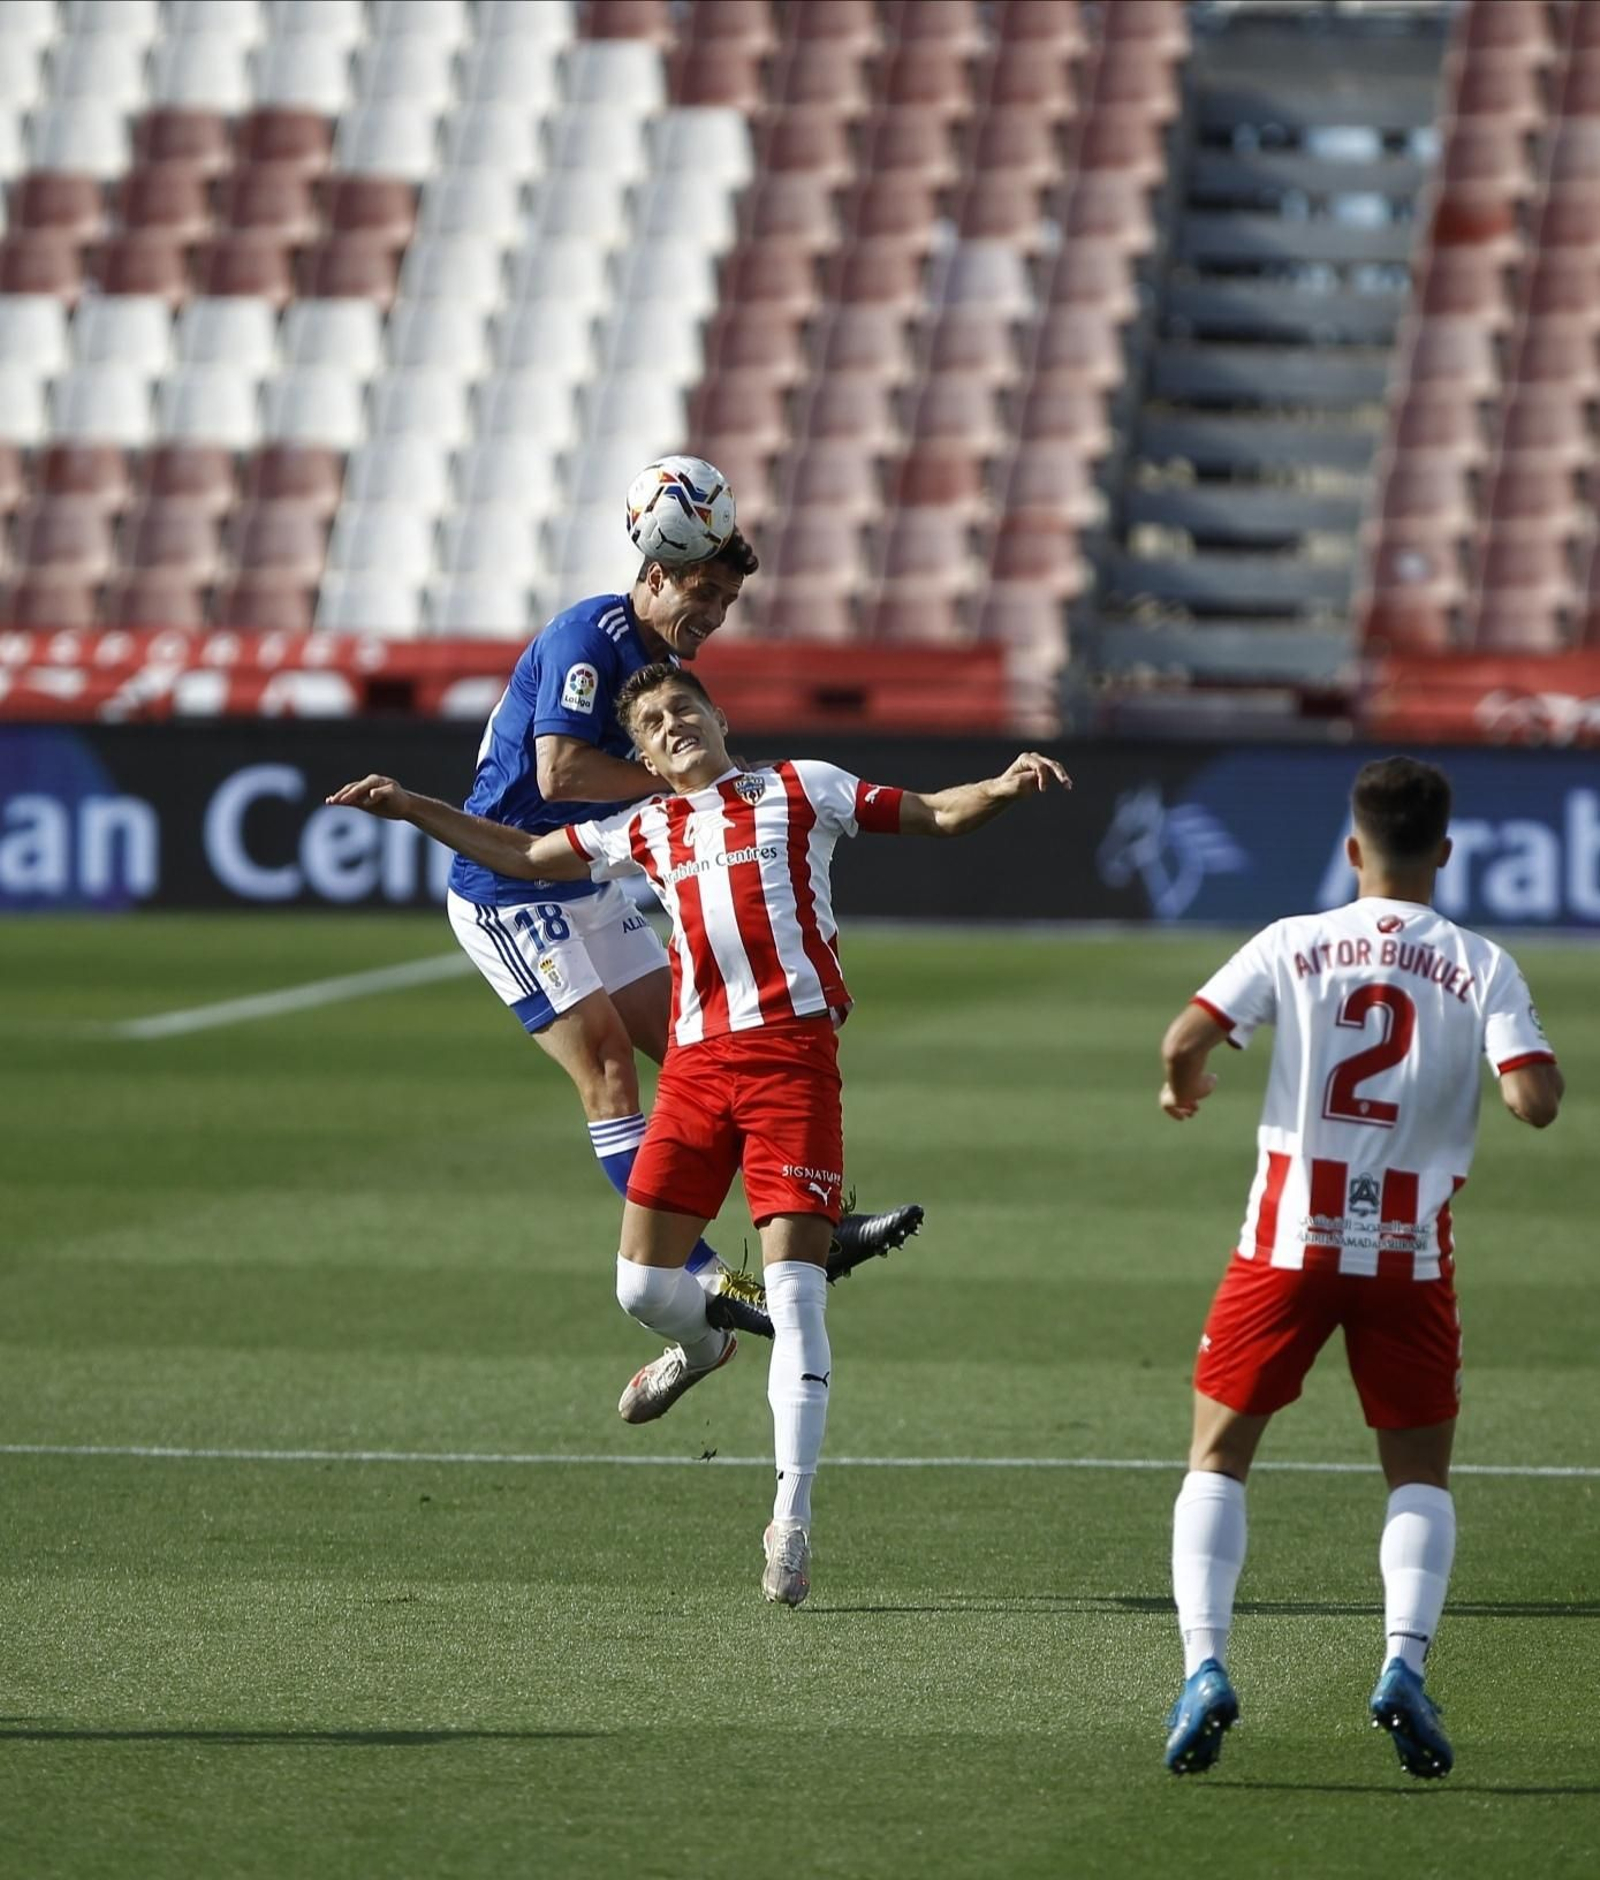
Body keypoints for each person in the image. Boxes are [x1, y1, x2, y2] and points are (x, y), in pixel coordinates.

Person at [329, 664, 1070, 1605]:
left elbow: (934, 812)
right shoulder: (641, 827)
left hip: (791, 1065)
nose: (672, 723)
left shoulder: (804, 786)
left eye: (684, 708)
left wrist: (1002, 788)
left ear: (720, 718)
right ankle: (703, 1345)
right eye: (651, 722)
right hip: (691, 1072)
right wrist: (413, 806)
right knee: (641, 1284)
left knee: (798, 1301)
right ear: (640, 753)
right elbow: (520, 859)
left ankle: (790, 1523)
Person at [1155, 756, 1563, 1778]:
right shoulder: (1481, 960)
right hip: (1408, 1254)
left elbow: (1184, 1036)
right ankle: (1401, 1665)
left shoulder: (1294, 939)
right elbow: (1534, 1101)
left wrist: (1185, 1082)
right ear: (1447, 852)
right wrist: (1519, 1067)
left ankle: (1204, 1664)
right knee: (1418, 1473)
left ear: (1351, 848)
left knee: (1217, 1456)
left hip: (1284, 1245)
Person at [439, 523, 923, 1338]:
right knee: (609, 1074)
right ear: (659, 575)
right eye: (707, 594)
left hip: (585, 881)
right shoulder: (587, 638)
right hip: (512, 888)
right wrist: (691, 784)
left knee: (703, 1044)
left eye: (729, 600)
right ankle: (713, 1278)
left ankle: (810, 1219)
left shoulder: (656, 662)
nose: (718, 614)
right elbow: (559, 774)